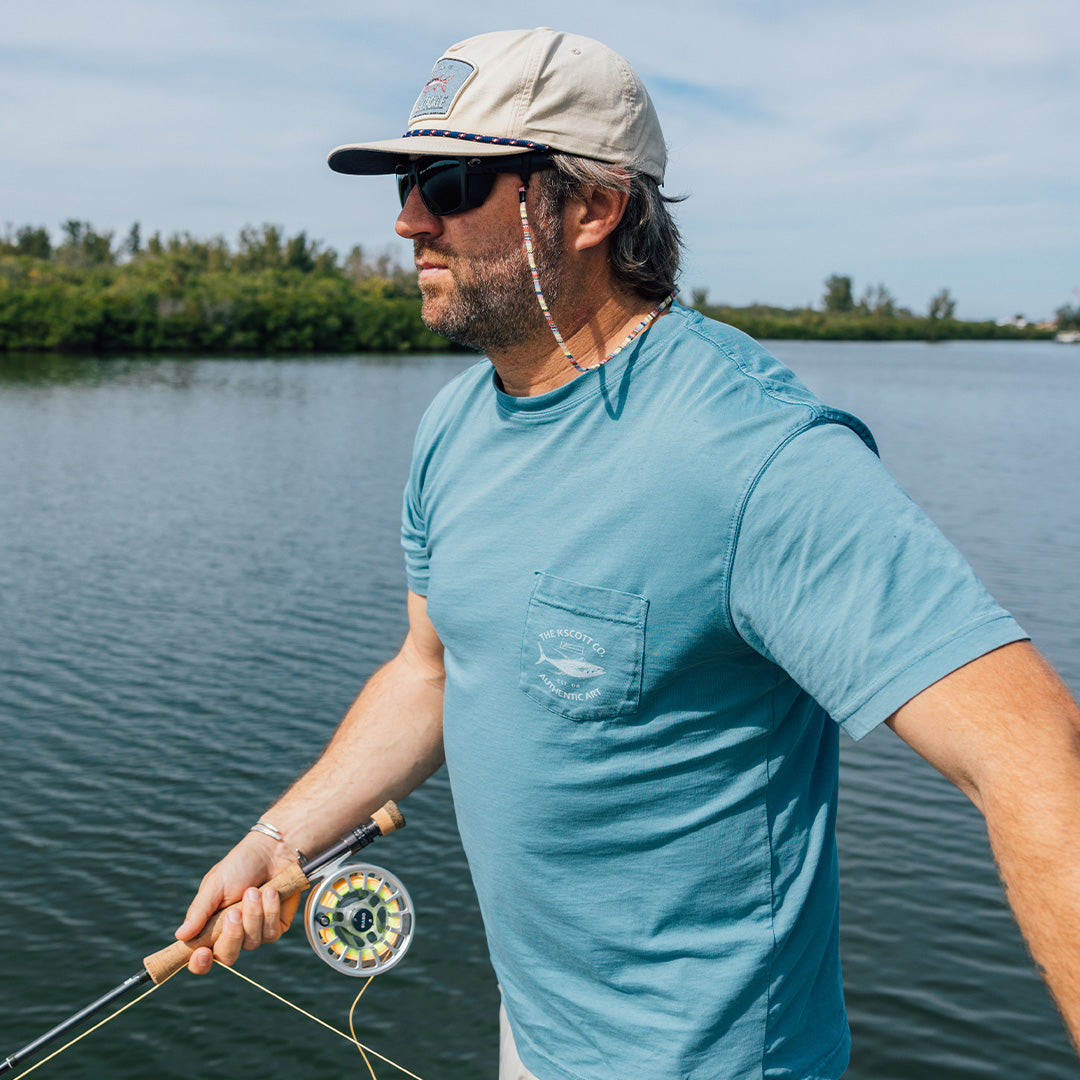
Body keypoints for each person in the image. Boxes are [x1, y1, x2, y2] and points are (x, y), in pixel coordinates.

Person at [175, 28, 1080, 1080]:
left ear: (595, 207)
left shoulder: (753, 453)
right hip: (537, 1038)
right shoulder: (455, 426)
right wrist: (279, 839)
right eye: (407, 181)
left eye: (450, 180)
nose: (408, 216)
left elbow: (1034, 759)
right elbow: (432, 670)